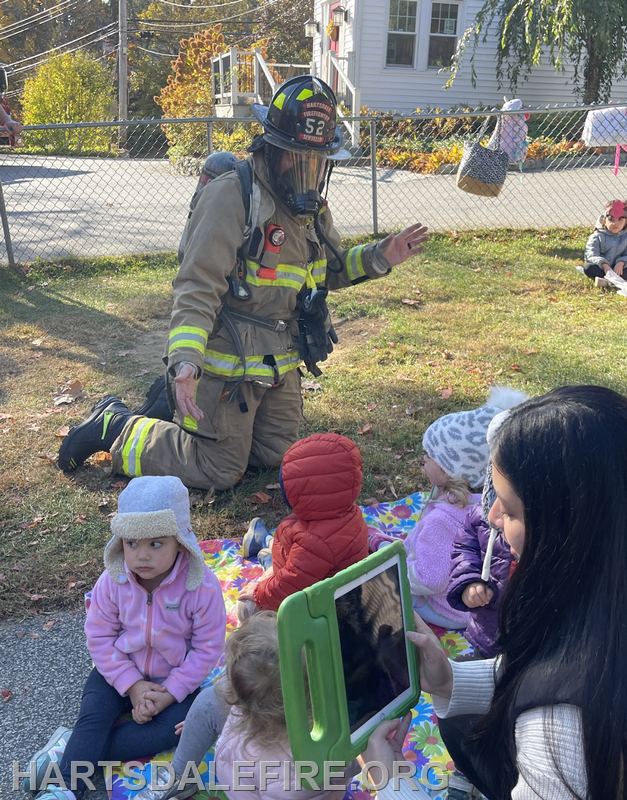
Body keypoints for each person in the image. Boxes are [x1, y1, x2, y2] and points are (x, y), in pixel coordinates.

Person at [56, 75, 429, 490]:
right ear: (272, 148)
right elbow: (196, 285)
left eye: (319, 160)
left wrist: (381, 256)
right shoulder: (233, 196)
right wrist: (186, 360)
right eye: (300, 157)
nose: (311, 170)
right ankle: (116, 426)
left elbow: (328, 271)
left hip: (277, 362)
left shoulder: (310, 209)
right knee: (221, 470)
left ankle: (203, 425)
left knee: (278, 457)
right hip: (227, 361)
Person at [389, 385, 627, 800]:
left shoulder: (557, 727)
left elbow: (555, 684)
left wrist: (391, 780)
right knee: (459, 719)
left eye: (509, 509)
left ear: (564, 526)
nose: (493, 517)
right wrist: (450, 680)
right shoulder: (599, 598)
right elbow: (544, 667)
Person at [29, 476, 227, 800]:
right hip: (115, 672)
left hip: (172, 681)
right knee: (94, 715)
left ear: (180, 540)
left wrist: (172, 691)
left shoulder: (200, 586)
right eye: (132, 543)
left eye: (155, 543)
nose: (142, 556)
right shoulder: (114, 580)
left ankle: (70, 748)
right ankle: (64, 788)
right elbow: (98, 635)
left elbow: (208, 648)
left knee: (169, 733)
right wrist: (131, 685)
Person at [136, 611, 360, 800]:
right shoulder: (333, 719)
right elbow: (355, 760)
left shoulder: (274, 769)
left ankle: (183, 773)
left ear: (239, 701)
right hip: (276, 749)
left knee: (211, 699)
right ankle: (180, 775)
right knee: (210, 700)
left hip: (258, 785)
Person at [379, 387, 526, 630]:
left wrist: (395, 573)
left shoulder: (443, 519)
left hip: (451, 608)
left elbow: (431, 579)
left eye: (429, 455)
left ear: (448, 469)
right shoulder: (481, 502)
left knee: (393, 595)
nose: (423, 459)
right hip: (472, 599)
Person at [236, 432, 368, 620]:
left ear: (306, 493)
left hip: (313, 606)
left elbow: (290, 586)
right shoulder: (345, 512)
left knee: (245, 608)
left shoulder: (314, 543)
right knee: (278, 550)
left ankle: (265, 554)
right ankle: (263, 544)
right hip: (302, 568)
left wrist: (259, 593)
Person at [446, 409, 519, 659]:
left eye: (510, 509)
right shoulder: (483, 514)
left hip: (531, 653)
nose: (493, 516)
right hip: (487, 635)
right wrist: (468, 581)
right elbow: (464, 546)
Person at [582, 198, 627, 286]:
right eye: (611, 219)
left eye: (620, 220)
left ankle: (609, 282)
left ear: (625, 222)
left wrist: (621, 262)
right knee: (589, 268)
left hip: (620, 269)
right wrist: (605, 266)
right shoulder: (597, 236)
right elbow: (591, 254)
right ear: (604, 220)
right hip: (602, 269)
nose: (615, 223)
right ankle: (611, 281)